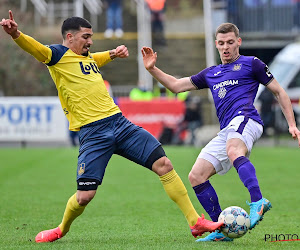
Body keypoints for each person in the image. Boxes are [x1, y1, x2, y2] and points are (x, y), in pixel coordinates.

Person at [1, 10, 224, 243]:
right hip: (93, 133)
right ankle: (61, 229)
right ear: (69, 37)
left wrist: (113, 54)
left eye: (91, 37)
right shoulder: (58, 56)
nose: (90, 41)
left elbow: (96, 58)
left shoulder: (86, 59)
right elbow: (36, 48)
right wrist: (16, 33)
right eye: (86, 36)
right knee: (85, 195)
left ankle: (195, 222)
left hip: (119, 123)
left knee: (164, 164)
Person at [141, 22, 300, 242]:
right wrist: (151, 69)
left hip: (247, 120)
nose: (226, 47)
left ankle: (258, 201)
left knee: (234, 150)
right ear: (216, 44)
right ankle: (221, 229)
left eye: (230, 43)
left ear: (239, 42)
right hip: (227, 130)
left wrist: (291, 124)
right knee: (196, 176)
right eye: (222, 43)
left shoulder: (252, 64)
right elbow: (177, 86)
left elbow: (280, 92)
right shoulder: (211, 73)